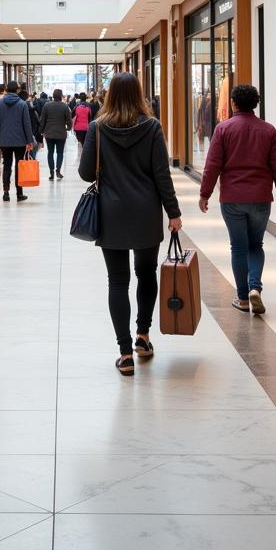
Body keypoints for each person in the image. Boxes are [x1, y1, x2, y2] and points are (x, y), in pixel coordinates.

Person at [79, 72, 181, 376]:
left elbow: (86, 173)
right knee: (146, 273)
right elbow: (162, 174)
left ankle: (124, 353)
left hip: (111, 213)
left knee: (118, 280)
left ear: (110, 95)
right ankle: (143, 337)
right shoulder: (151, 127)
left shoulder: (98, 128)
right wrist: (173, 212)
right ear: (139, 94)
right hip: (146, 212)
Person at [199, 84, 276, 315]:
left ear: (233, 103)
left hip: (232, 199)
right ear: (255, 104)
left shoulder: (223, 129)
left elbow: (212, 165)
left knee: (238, 247)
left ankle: (242, 298)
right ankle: (255, 288)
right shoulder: (268, 130)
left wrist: (205, 194)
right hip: (260, 198)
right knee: (255, 245)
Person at [0, 79, 34, 202]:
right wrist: (29, 141)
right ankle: (19, 193)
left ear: (6, 90)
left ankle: (6, 192)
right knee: (19, 166)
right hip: (20, 141)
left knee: (7, 165)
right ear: (17, 90)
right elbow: (27, 124)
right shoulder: (22, 104)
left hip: (4, 140)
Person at [38, 88, 72, 180]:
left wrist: (41, 131)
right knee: (60, 153)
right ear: (61, 96)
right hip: (61, 133)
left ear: (53, 96)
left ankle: (51, 172)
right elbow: (69, 120)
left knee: (50, 152)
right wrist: (68, 128)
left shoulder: (47, 106)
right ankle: (58, 171)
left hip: (49, 133)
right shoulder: (64, 106)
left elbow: (42, 120)